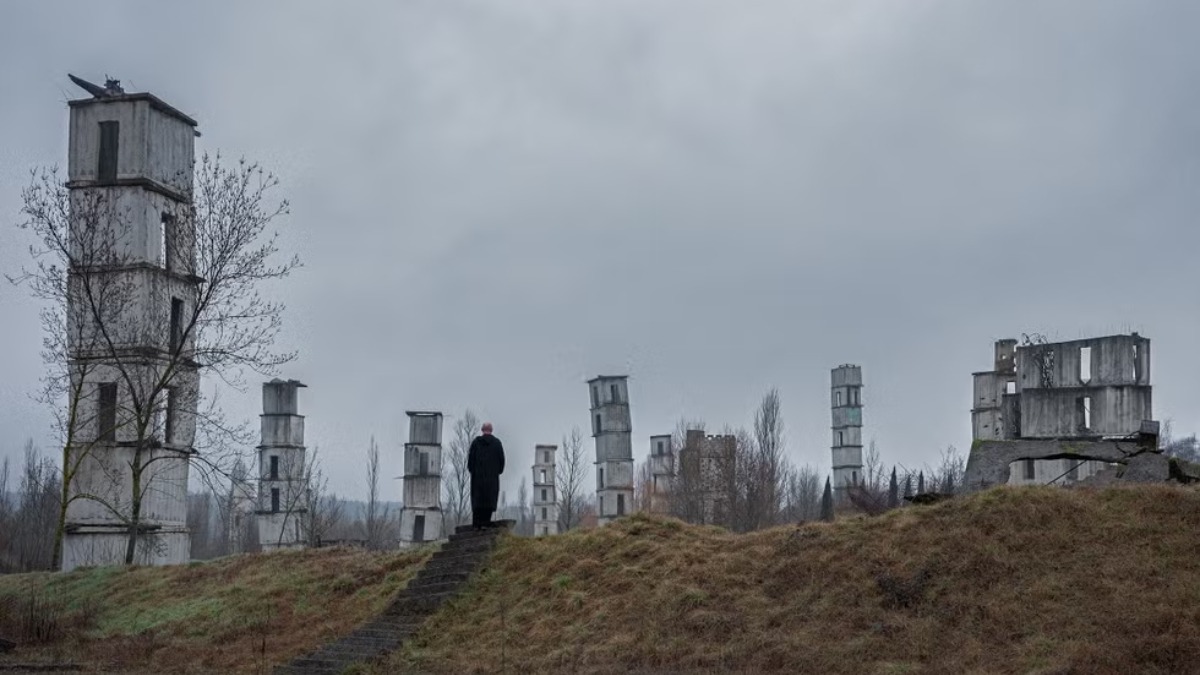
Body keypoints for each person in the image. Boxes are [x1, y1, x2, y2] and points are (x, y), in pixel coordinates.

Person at [467, 421, 506, 530]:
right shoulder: (497, 443)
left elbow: (470, 462)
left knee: (477, 502)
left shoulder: (476, 443)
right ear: (491, 430)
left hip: (477, 480)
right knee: (489, 501)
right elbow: (502, 461)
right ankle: (486, 523)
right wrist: (496, 472)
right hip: (491, 480)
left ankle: (476, 525)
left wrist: (473, 472)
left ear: (482, 430)